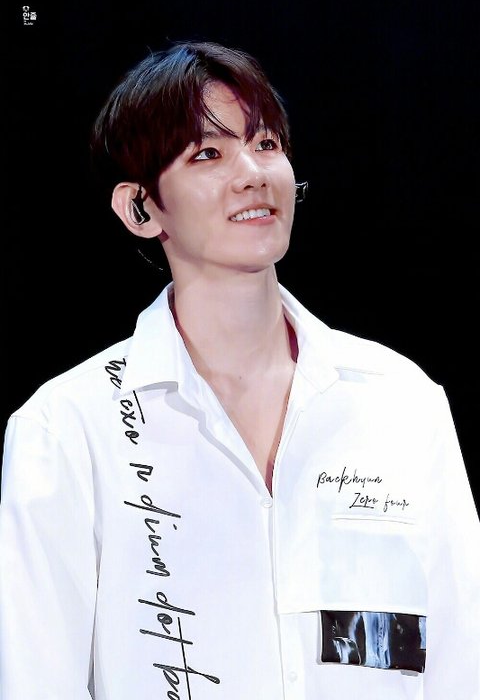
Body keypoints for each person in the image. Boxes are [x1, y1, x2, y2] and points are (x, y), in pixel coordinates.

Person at [0, 40, 479, 700]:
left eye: (266, 144)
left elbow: (458, 658)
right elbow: (38, 681)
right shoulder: (69, 429)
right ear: (140, 208)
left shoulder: (401, 402)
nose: (253, 173)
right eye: (208, 154)